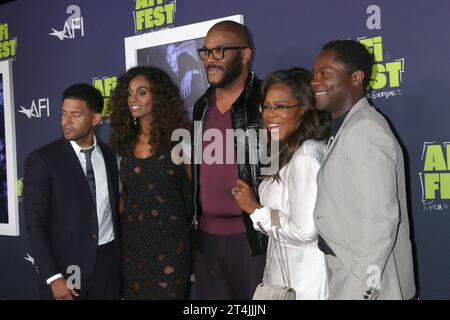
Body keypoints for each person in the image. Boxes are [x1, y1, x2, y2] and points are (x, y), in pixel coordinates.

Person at [311, 39, 416, 299]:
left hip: (367, 282)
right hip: (347, 270)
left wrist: (360, 291)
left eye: (325, 73)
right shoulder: (348, 128)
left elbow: (380, 222)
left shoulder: (365, 131)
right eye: (314, 74)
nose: (314, 81)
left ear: (356, 78)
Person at [234, 67, 330, 299]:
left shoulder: (305, 156)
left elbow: (306, 230)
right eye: (266, 107)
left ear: (304, 110)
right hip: (284, 275)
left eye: (280, 107)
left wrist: (255, 210)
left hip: (304, 280)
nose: (269, 115)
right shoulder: (286, 151)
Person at [23, 84, 122, 300]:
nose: (66, 121)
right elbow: (35, 224)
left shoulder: (109, 156)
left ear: (96, 119)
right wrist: (53, 277)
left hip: (108, 268)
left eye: (75, 115)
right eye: (63, 114)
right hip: (65, 270)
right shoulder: (42, 160)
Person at [192, 20, 267, 299]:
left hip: (252, 240)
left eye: (220, 51)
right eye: (206, 52)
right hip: (207, 242)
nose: (210, 59)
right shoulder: (201, 106)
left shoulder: (265, 101)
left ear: (245, 55)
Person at [109, 66, 192, 300]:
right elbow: (123, 198)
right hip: (133, 247)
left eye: (141, 92)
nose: (133, 99)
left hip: (171, 246)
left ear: (159, 96)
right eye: (129, 93)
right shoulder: (122, 143)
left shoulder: (180, 139)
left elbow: (197, 192)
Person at [164, 42, 205, 119]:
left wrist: (189, 72)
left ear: (176, 53)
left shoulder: (184, 57)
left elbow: (200, 69)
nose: (170, 58)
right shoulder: (164, 73)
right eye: (167, 55)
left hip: (198, 105)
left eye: (172, 53)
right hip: (180, 112)